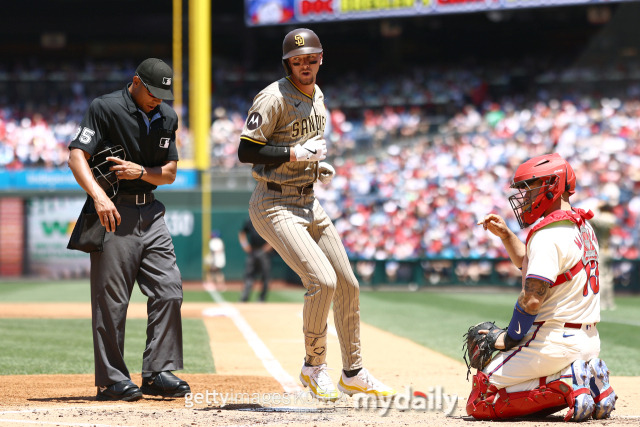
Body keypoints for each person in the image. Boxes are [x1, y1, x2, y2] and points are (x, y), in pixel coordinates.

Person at [237, 28, 396, 401]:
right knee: (322, 281)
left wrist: (314, 167)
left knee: (348, 284)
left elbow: (305, 147)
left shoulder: (319, 94)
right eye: (297, 60)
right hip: (274, 203)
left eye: (310, 58)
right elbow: (246, 152)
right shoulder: (273, 97)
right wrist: (294, 156)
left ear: (320, 58)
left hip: (308, 200)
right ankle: (313, 367)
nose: (304, 65)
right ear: (287, 63)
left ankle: (353, 372)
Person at [68, 58, 190, 402]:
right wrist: (99, 197)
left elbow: (168, 174)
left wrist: (140, 172)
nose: (158, 99)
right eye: (153, 92)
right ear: (136, 82)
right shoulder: (104, 108)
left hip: (151, 211)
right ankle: (111, 381)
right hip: (112, 211)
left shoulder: (167, 117)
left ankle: (157, 371)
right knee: (112, 302)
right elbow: (77, 155)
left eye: (163, 94)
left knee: (169, 290)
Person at [469, 153, 617, 421]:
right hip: (588, 341)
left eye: (530, 188)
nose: (524, 197)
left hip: (552, 340)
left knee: (481, 399)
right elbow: (532, 265)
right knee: (516, 386)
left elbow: (532, 299)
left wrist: (510, 336)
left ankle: (568, 381)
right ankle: (590, 383)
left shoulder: (548, 235)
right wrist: (506, 235)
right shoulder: (582, 226)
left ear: (553, 185)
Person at [239, 218, 272, 302]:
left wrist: (267, 248)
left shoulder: (268, 220)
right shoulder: (250, 220)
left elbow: (275, 235)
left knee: (265, 277)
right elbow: (242, 233)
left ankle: (261, 299)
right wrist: (245, 245)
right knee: (248, 275)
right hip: (252, 251)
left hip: (264, 253)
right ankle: (244, 298)